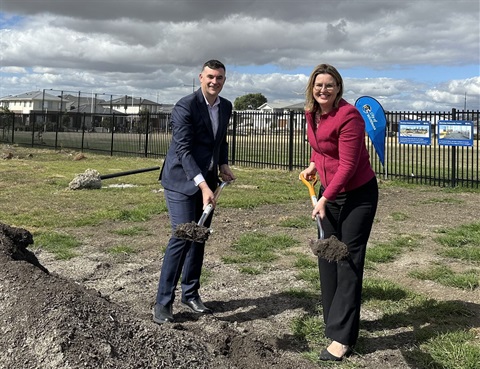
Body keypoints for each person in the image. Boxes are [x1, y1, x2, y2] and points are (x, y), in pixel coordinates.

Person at [300, 64, 378, 361]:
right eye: (319, 85)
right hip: (330, 194)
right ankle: (334, 321)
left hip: (357, 195)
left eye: (329, 85)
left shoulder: (350, 116)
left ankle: (343, 338)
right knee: (326, 254)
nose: (323, 90)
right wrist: (312, 165)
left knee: (346, 258)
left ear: (338, 88)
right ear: (312, 87)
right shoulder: (312, 113)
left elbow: (347, 164)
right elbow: (321, 147)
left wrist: (325, 198)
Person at [153, 60, 236, 324]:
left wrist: (222, 164)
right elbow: (183, 150)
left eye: (220, 78)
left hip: (208, 181)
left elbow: (220, 138)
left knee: (199, 237)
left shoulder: (225, 106)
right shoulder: (185, 106)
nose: (215, 81)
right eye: (210, 76)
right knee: (182, 236)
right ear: (201, 77)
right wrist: (202, 186)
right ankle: (162, 303)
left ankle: (190, 294)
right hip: (180, 181)